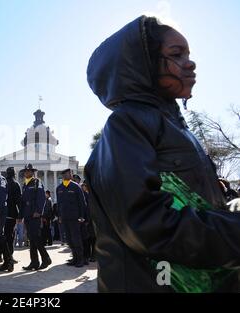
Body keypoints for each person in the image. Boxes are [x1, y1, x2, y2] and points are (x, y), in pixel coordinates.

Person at [85, 16, 240, 292]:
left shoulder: (177, 128)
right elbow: (145, 225)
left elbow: (202, 204)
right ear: (145, 64)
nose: (190, 63)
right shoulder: (127, 124)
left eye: (189, 54)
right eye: (176, 55)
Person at [20, 164, 51, 271]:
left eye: (29, 171)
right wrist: (21, 215)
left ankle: (46, 258)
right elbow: (23, 202)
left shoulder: (37, 182)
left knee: (36, 237)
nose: (27, 173)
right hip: (27, 215)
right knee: (32, 239)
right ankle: (34, 262)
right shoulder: (25, 184)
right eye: (25, 171)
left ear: (33, 172)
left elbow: (41, 198)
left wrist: (39, 211)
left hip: (35, 214)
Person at [56, 169, 87, 267]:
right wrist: (59, 216)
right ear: (62, 175)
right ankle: (74, 258)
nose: (68, 175)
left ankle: (80, 259)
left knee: (76, 239)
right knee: (69, 239)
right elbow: (59, 204)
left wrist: (82, 216)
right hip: (65, 218)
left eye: (69, 173)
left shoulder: (76, 186)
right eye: (65, 173)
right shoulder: (59, 188)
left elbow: (82, 203)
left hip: (75, 218)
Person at [0, 167, 22, 256]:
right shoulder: (15, 184)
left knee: (2, 234)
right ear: (14, 174)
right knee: (9, 236)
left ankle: (0, 255)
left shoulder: (3, 183)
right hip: (11, 213)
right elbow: (19, 201)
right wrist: (21, 214)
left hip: (1, 213)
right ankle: (9, 256)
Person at [81, 180, 96, 263]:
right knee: (87, 240)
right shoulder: (85, 195)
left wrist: (88, 220)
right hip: (87, 221)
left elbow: (91, 210)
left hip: (92, 222)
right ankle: (88, 255)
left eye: (84, 186)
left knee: (93, 240)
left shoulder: (92, 196)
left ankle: (93, 256)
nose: (83, 187)